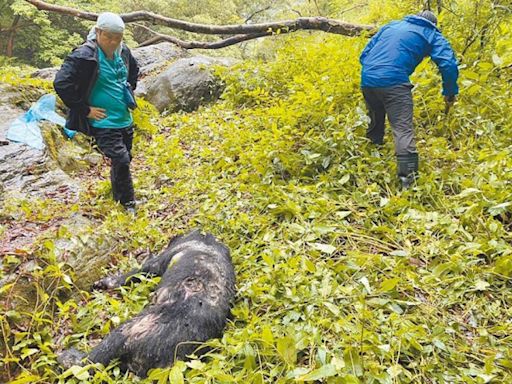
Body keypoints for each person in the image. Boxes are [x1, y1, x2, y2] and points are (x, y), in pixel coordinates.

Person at [359, 10, 459, 189]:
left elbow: (365, 54)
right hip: (394, 82)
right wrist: (449, 91)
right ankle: (409, 183)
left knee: (375, 117)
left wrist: (375, 72)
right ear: (433, 24)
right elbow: (448, 64)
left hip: (367, 78)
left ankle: (371, 158)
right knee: (402, 129)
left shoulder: (391, 25)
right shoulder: (430, 33)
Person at [54, 12, 140, 213]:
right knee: (121, 159)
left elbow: (134, 71)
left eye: (117, 37)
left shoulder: (123, 51)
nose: (112, 42)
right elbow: (61, 83)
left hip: (124, 118)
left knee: (124, 158)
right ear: (98, 32)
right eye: (108, 37)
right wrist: (85, 110)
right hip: (103, 122)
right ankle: (128, 204)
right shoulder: (84, 55)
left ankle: (118, 195)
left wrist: (127, 90)